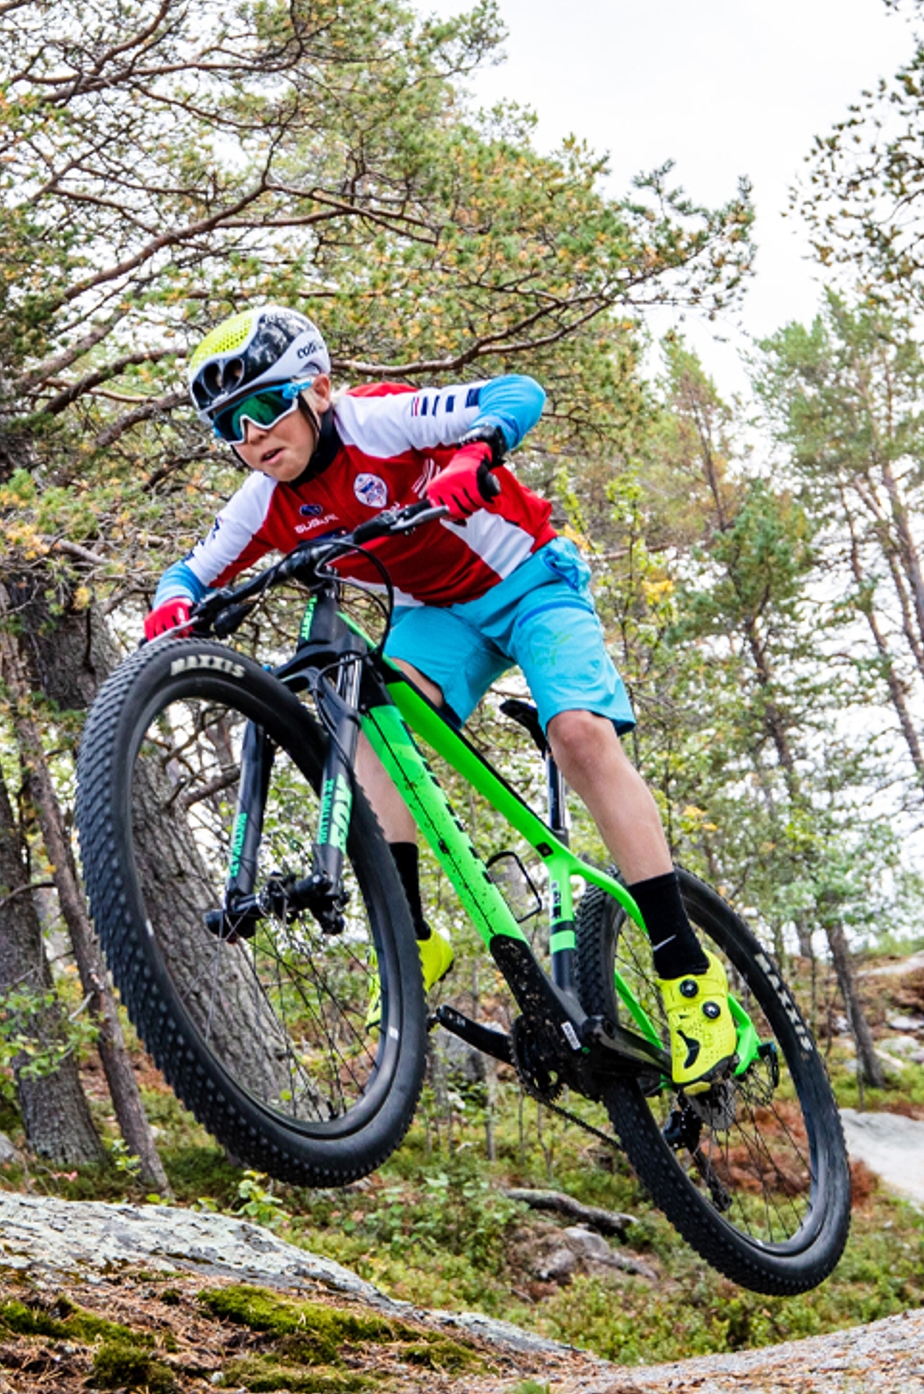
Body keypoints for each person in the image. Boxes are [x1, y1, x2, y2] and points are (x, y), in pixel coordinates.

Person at [139, 303, 740, 1086]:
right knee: (366, 740)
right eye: (230, 427)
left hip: (529, 583)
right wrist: (171, 608)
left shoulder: (376, 422)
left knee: (580, 737)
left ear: (317, 390)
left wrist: (473, 457)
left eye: (263, 408)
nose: (252, 438)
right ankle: (412, 936)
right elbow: (187, 574)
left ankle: (685, 971)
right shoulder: (264, 499)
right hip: (436, 621)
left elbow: (517, 392)